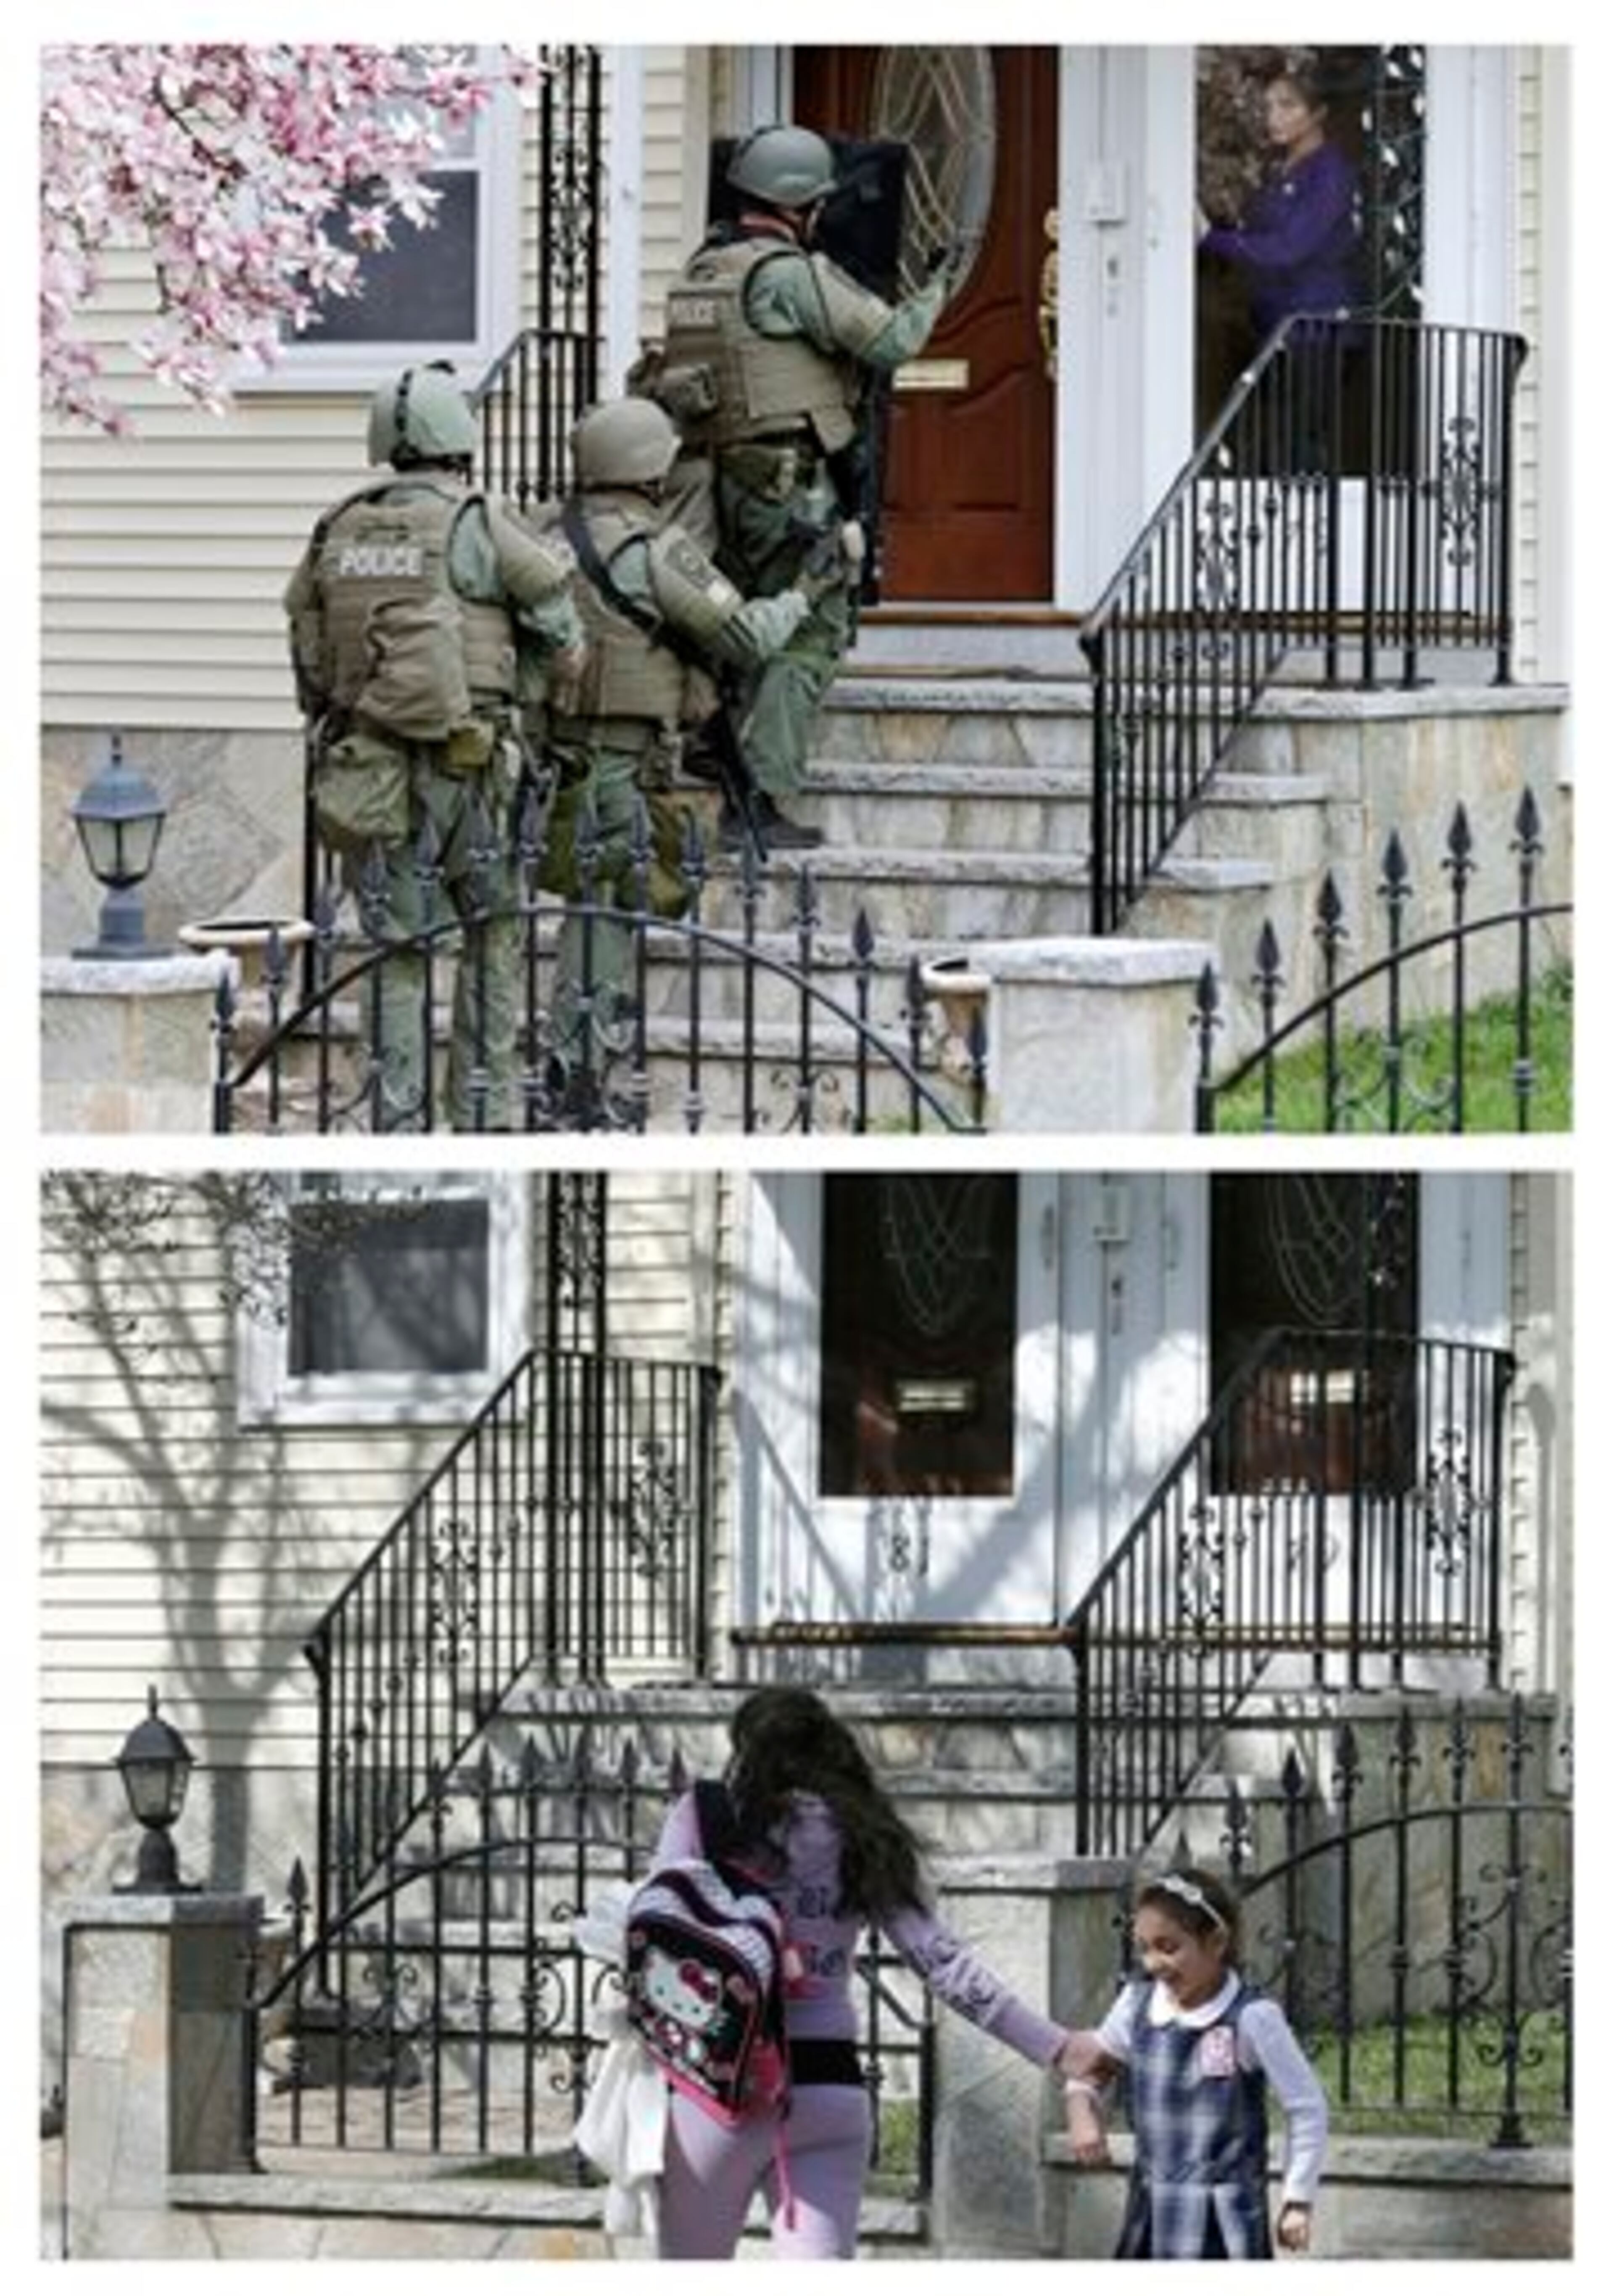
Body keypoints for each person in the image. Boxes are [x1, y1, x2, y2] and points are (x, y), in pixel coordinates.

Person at [648, 1685, 1097, 2260]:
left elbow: (658, 1930)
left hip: (719, 2090)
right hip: (830, 2091)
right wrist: (1059, 2047)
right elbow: (944, 1963)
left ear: (746, 1751)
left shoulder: (705, 1816)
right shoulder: (863, 1833)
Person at [285, 360, 585, 1131]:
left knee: (396, 952)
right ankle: (482, 1120)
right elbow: (560, 624)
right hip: (474, 770)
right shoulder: (481, 520)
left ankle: (398, 1123)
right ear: (461, 437)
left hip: (368, 772)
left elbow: (309, 646)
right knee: (492, 939)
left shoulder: (338, 526)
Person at [527, 396, 848, 1108]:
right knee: (603, 913)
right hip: (620, 761)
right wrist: (807, 589)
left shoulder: (541, 531)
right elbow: (748, 636)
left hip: (550, 756)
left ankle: (577, 1054)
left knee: (595, 903)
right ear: (649, 471)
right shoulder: (655, 549)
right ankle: (576, 1077)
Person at [653, 124, 953, 843]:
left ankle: (715, 746)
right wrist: (939, 286)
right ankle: (758, 800)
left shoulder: (703, 272)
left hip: (715, 480)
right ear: (799, 207)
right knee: (809, 630)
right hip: (783, 485)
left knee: (736, 623)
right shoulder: (785, 274)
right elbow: (890, 342)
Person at [1062, 1865, 1328, 2260]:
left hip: (1226, 2218)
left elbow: (1307, 2106)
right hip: (1151, 2208)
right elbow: (1092, 2069)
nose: (1153, 1963)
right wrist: (1081, 2108)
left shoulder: (1253, 2018)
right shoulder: (1136, 2005)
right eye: (1144, 1947)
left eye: (1169, 1947)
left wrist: (1298, 2198)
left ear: (1217, 1941)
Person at [1197, 66, 1363, 346]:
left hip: (1316, 331)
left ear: (1318, 113)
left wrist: (1209, 238)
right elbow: (1255, 232)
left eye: (1288, 106)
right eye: (1269, 106)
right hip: (1273, 323)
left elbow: (1288, 248)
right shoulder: (1275, 168)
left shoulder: (1330, 173)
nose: (1273, 117)